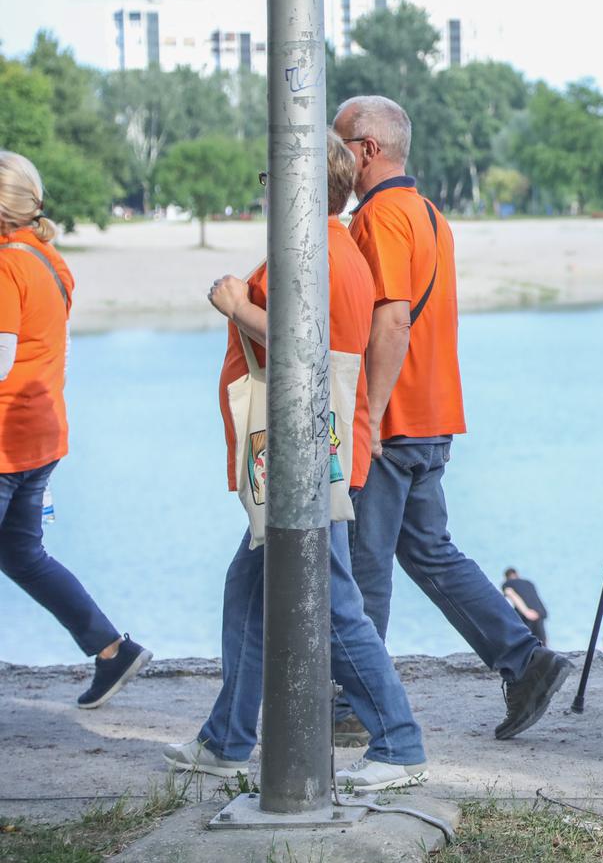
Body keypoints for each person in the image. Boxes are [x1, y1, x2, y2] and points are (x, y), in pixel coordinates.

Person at [162, 130, 429, 792]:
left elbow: (303, 347)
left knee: (334, 602)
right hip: (312, 448)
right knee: (250, 590)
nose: (264, 190)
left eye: (272, 179)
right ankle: (225, 740)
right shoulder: (339, 247)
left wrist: (236, 304)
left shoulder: (311, 254)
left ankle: (399, 743)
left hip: (307, 453)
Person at [337, 95, 571, 742]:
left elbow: (389, 318)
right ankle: (525, 660)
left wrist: (372, 418)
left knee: (365, 562)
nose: (331, 156)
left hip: (395, 417)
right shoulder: (430, 215)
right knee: (429, 552)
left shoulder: (380, 216)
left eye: (337, 143)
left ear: (365, 149)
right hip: (435, 413)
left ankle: (356, 703)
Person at [0, 151, 150, 709]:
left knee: (22, 555)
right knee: (21, 556)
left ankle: (112, 648)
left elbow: (1, 355)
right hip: (42, 437)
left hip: (6, 437)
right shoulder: (49, 258)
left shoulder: (8, 264)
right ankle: (112, 649)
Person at [502, 567, 548, 645]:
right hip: (540, 612)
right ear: (517, 574)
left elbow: (510, 593)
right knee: (542, 642)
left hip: (527, 615)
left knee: (525, 643)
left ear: (506, 577)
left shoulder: (507, 584)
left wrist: (526, 611)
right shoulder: (529, 583)